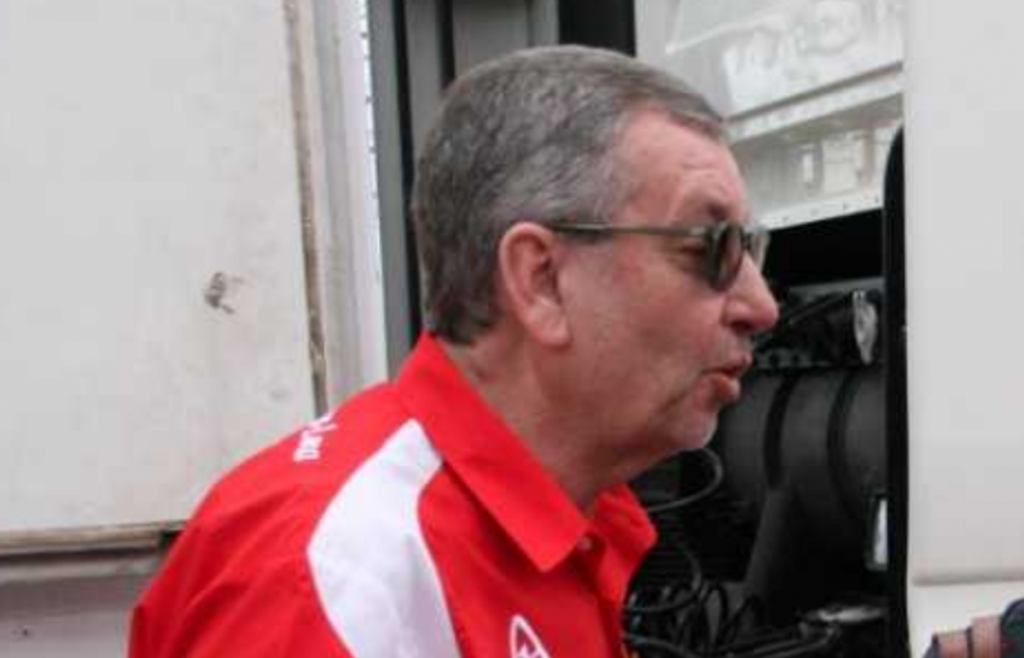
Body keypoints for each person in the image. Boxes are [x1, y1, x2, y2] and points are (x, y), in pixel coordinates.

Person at [128, 45, 778, 658]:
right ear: (542, 280)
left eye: (751, 249)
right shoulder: (347, 581)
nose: (762, 305)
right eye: (711, 247)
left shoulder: (572, 521)